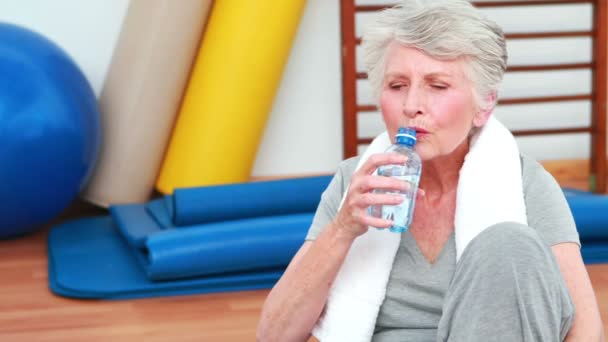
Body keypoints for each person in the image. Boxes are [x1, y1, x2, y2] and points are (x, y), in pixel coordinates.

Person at [257, 0, 604, 341]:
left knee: (509, 242)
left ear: (484, 106)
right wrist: (343, 228)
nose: (411, 106)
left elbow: (585, 330)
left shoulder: (526, 184)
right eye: (397, 86)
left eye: (437, 86)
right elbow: (274, 334)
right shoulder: (355, 184)